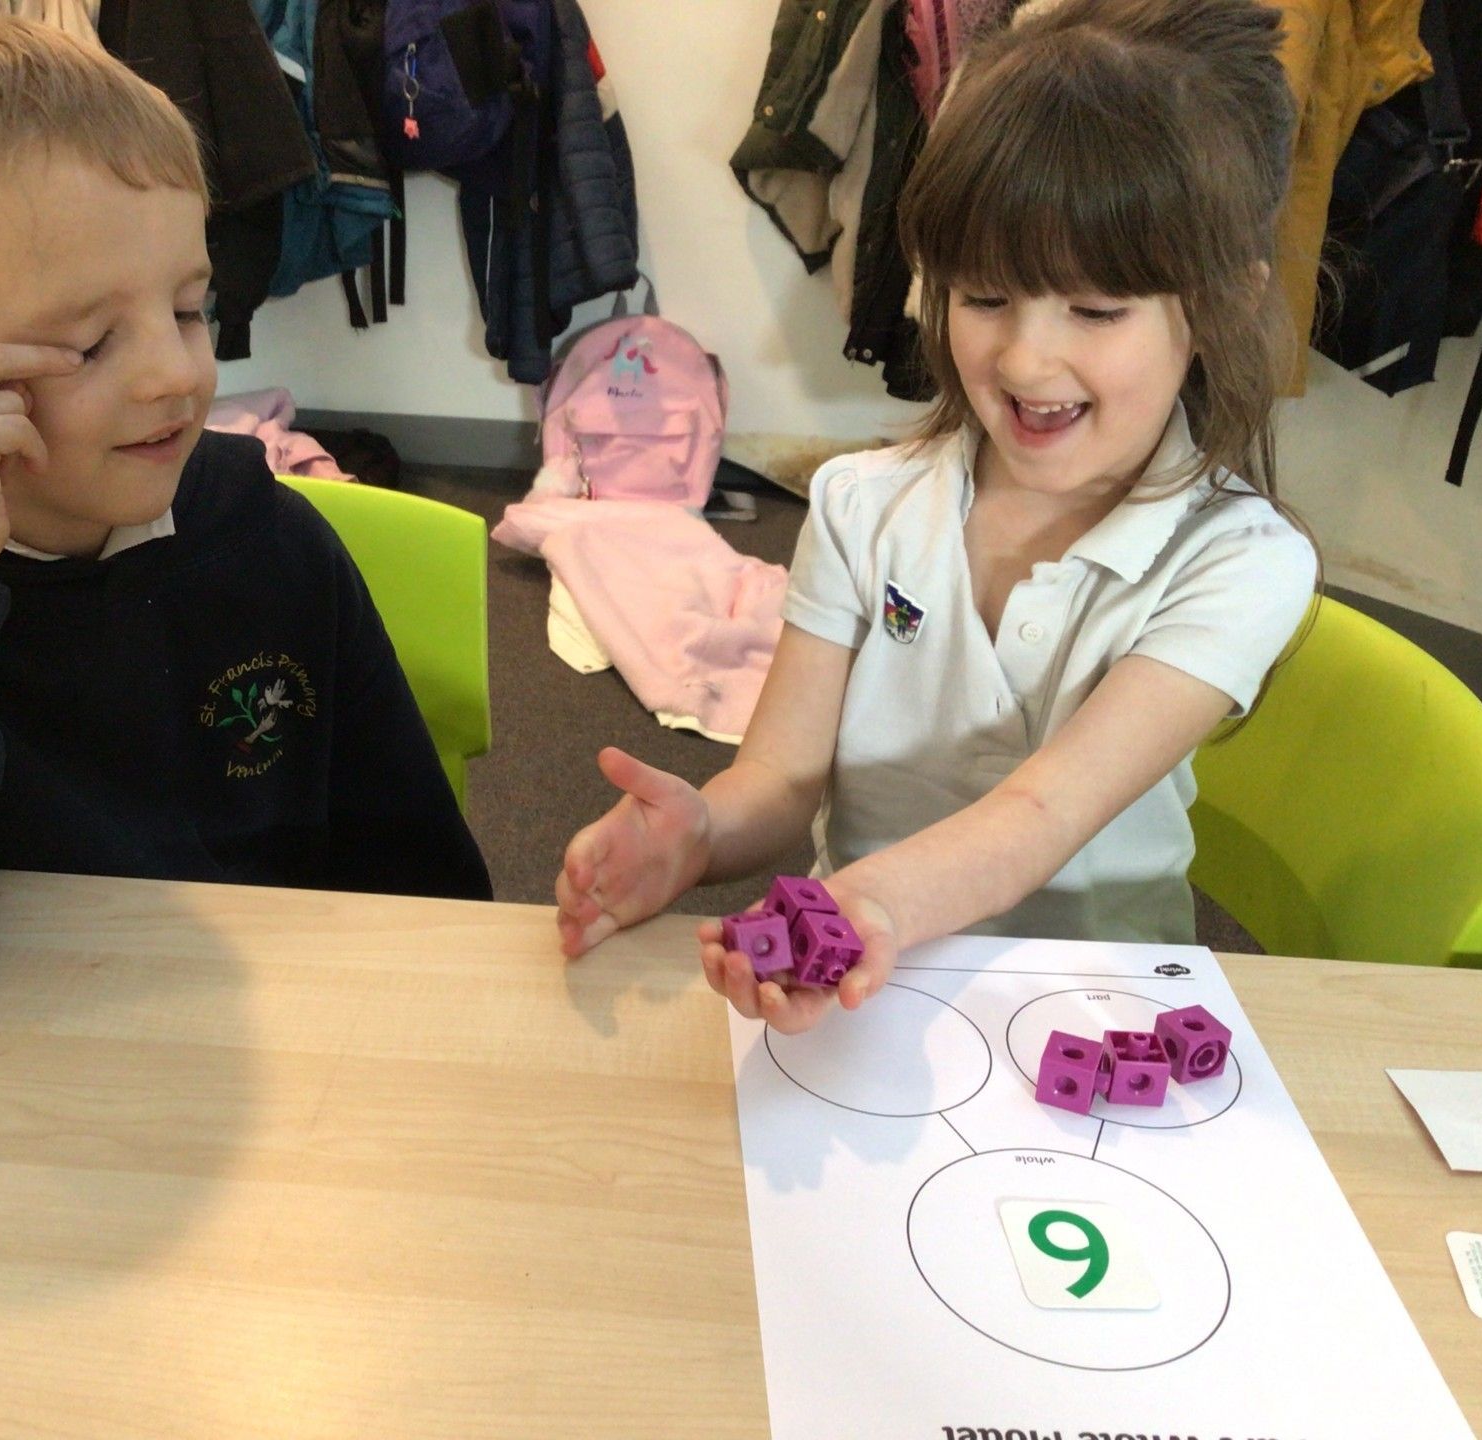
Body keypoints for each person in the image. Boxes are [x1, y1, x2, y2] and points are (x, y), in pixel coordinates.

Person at [555, 0, 1316, 1034]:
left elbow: (1043, 812)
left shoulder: (1241, 561)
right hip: (877, 987)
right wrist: (699, 832)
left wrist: (866, 906)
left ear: (1222, 304)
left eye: (1096, 311)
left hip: (1098, 998)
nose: (1026, 359)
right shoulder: (860, 504)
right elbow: (780, 774)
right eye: (985, 297)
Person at [0, 3, 490, 1020]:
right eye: (90, 342)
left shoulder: (271, 543)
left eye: (187, 309)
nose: (176, 374)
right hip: (4, 1070)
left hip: (277, 1037)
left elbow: (429, 889)